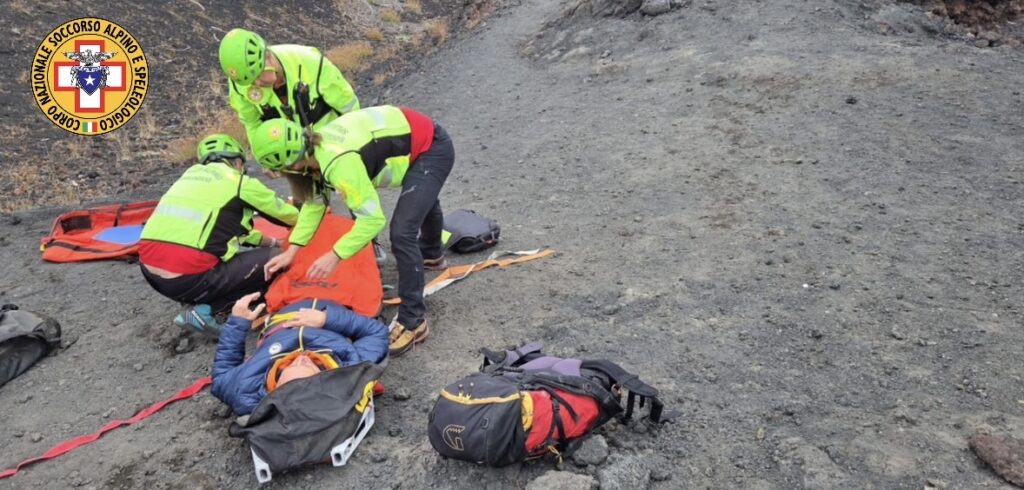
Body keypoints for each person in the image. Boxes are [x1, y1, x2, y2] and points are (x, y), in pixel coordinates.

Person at [247, 106, 455, 357]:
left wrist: (335, 254)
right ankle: (431, 254)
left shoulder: (337, 164)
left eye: (278, 172)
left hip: (431, 148)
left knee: (402, 233)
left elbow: (371, 220)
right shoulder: (313, 152)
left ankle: (414, 322)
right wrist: (293, 249)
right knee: (420, 200)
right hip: (417, 133)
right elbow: (314, 205)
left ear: (292, 164)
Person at [138, 134, 299, 337]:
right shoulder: (239, 182)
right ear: (237, 161)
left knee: (258, 254)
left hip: (152, 274)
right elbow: (289, 216)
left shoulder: (188, 177)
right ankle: (207, 309)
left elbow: (236, 233)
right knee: (277, 259)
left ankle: (197, 297)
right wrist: (312, 218)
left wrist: (274, 239)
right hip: (187, 277)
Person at [211, 292, 389, 416]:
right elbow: (376, 332)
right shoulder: (352, 369)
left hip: (282, 309)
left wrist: (238, 322)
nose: (300, 357)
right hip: (334, 303)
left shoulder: (246, 390)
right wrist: (327, 319)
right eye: (308, 365)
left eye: (288, 365)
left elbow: (221, 376)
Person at [218, 28, 360, 148]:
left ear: (269, 58)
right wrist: (264, 157)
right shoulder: (239, 85)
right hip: (291, 156)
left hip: (332, 143)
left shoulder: (310, 61)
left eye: (257, 77)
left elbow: (349, 109)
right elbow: (252, 124)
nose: (257, 84)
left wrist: (355, 145)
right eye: (250, 81)